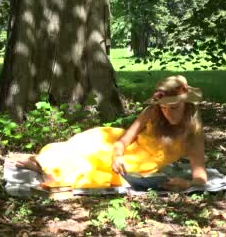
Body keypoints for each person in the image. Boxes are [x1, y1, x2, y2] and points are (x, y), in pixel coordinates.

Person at [13, 75, 207, 191]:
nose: (167, 112)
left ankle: (44, 168)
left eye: (173, 107)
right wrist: (117, 155)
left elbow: (200, 178)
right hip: (120, 147)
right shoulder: (152, 113)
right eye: (163, 107)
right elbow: (122, 142)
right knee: (83, 148)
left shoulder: (192, 135)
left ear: (187, 105)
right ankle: (41, 162)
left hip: (139, 165)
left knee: (96, 169)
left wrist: (187, 184)